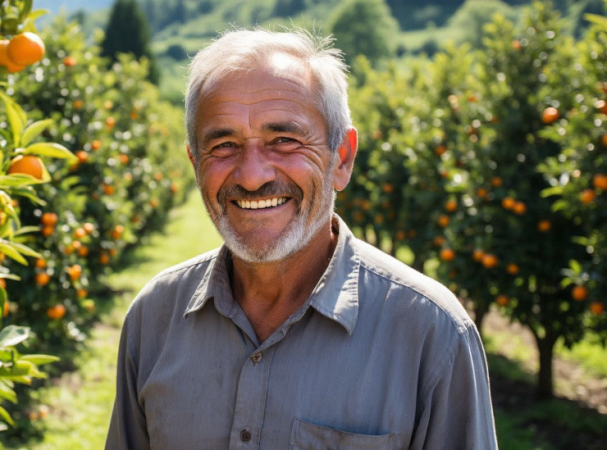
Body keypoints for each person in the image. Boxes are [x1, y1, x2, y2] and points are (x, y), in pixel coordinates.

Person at [106, 28, 497, 449]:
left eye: (285, 140)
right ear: (194, 162)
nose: (252, 175)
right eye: (223, 144)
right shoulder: (154, 317)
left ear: (342, 158)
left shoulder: (430, 332)